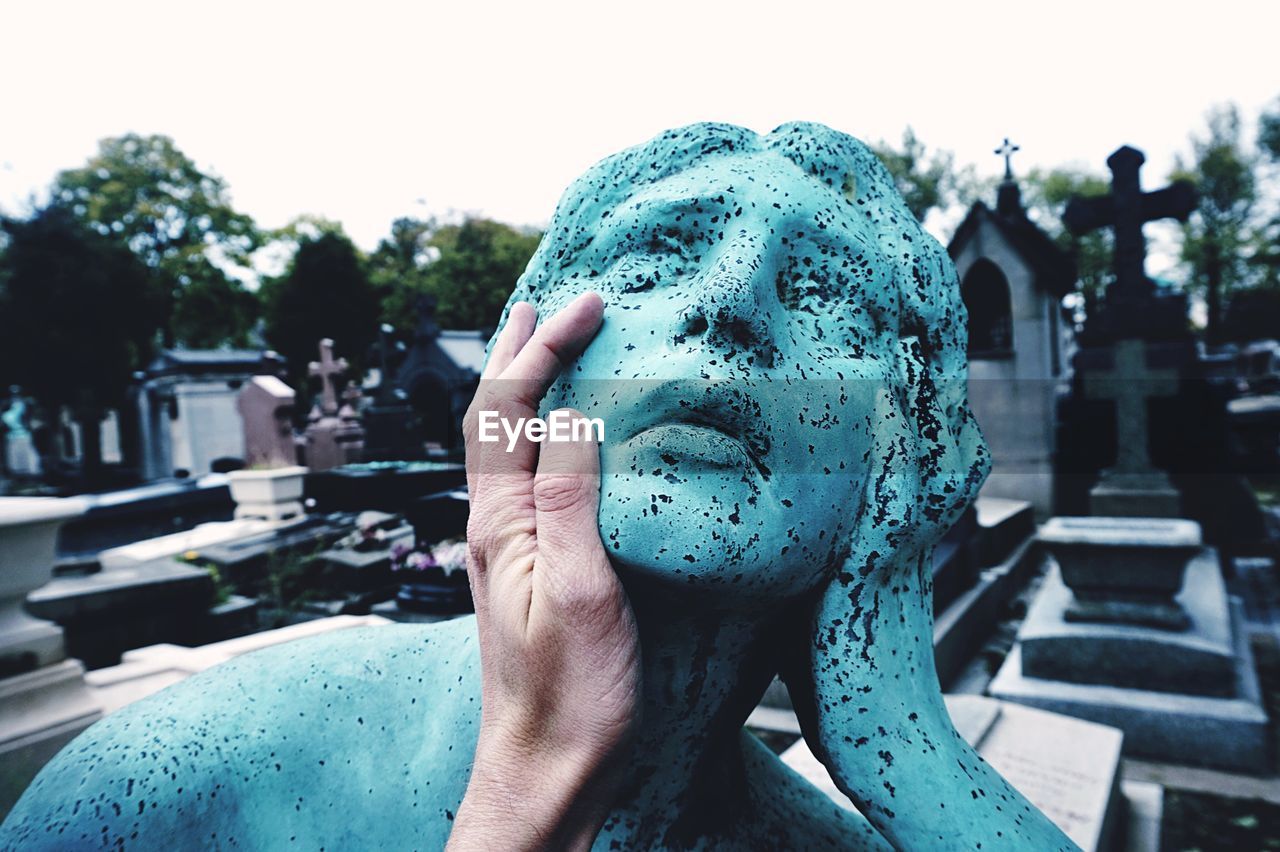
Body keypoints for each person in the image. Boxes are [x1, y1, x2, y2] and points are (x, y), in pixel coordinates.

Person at [1, 123, 1074, 850]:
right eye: (652, 265)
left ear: (900, 462)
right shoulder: (179, 786)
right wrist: (531, 786)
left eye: (822, 294)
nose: (734, 303)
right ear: (524, 378)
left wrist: (909, 751)